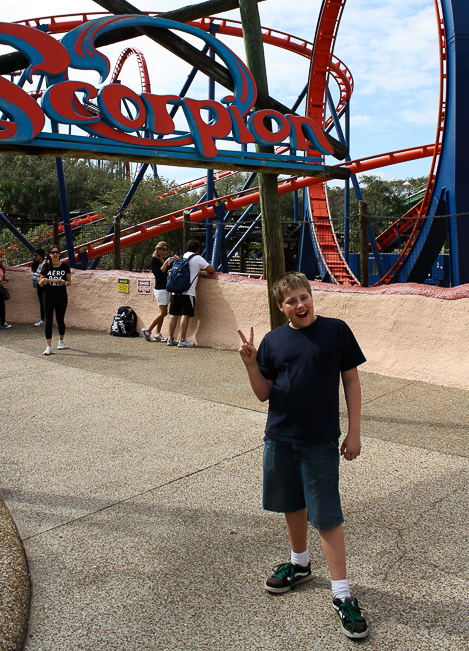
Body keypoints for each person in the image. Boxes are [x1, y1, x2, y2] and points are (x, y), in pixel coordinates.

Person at [237, 272, 368, 640]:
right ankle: (299, 564)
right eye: (291, 301)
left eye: (303, 297)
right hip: (280, 436)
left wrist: (354, 431)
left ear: (312, 297)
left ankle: (341, 593)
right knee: (292, 503)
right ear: (281, 308)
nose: (300, 305)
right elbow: (264, 394)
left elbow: (351, 380)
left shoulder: (336, 331)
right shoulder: (274, 341)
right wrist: (250, 363)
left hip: (320, 440)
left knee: (327, 514)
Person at [167, 238, 214, 348]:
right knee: (185, 315)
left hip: (175, 290)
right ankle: (182, 340)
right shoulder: (197, 258)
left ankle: (170, 338)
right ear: (198, 249)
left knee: (174, 315)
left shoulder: (180, 257)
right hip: (188, 291)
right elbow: (211, 269)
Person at [141, 241, 178, 342]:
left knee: (162, 312)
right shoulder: (154, 260)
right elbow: (158, 273)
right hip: (160, 289)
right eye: (163, 249)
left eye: (166, 250)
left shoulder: (164, 260)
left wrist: (175, 261)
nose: (165, 251)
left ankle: (158, 333)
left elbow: (169, 269)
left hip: (166, 288)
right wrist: (166, 263)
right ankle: (148, 330)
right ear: (158, 249)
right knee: (163, 312)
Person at [39, 246, 71, 356]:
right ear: (49, 254)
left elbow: (69, 282)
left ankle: (61, 339)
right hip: (48, 295)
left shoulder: (65, 266)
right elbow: (40, 283)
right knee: (48, 319)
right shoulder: (46, 266)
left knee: (60, 318)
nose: (55, 254)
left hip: (61, 295)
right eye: (53, 252)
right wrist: (44, 280)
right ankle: (48, 346)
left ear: (60, 254)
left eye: (57, 252)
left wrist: (64, 282)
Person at [31, 248, 46, 327]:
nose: (35, 257)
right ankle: (42, 319)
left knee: (47, 302)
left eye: (36, 255)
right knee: (41, 302)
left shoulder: (46, 263)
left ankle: (48, 319)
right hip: (39, 285)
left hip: (46, 285)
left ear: (41, 255)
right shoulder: (36, 264)